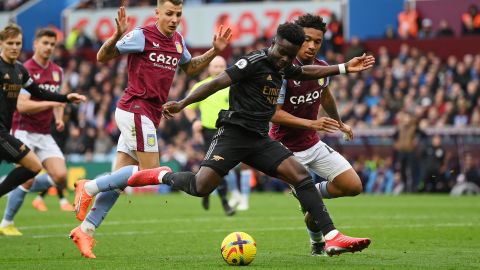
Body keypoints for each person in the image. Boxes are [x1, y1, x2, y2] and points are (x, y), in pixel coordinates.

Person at [128, 22, 374, 256]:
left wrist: (342, 68)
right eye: (281, 53)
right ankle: (161, 175)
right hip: (233, 134)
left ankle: (331, 236)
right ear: (274, 42)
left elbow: (305, 71)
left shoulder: (283, 65)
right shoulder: (254, 61)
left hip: (258, 138)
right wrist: (182, 103)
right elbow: (216, 83)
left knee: (300, 176)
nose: (284, 60)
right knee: (201, 187)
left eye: (290, 56)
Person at [69, 1, 231, 259]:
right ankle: (88, 187)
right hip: (135, 109)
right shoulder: (141, 35)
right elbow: (102, 56)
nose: (174, 19)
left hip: (149, 115)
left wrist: (214, 51)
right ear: (157, 13)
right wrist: (116, 35)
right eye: (169, 14)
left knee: (119, 181)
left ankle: (85, 230)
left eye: (178, 14)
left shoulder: (178, 41)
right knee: (149, 173)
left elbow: (190, 67)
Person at [268, 13, 365, 256]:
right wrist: (312, 124)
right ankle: (318, 242)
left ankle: (311, 194)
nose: (312, 46)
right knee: (313, 206)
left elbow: (324, 94)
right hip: (285, 151)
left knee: (354, 186)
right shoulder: (282, 71)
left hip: (312, 144)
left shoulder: (321, 68)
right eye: (307, 40)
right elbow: (274, 114)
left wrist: (339, 123)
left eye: (317, 41)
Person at [0, 24, 85, 223]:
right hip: (13, 131)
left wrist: (65, 98)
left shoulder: (20, 71)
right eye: (10, 43)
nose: (14, 47)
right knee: (32, 167)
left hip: (11, 131)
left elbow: (39, 92)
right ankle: (7, 220)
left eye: (17, 43)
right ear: (1, 44)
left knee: (36, 168)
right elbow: (24, 105)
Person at [183, 55, 235, 216]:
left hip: (228, 131)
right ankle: (225, 203)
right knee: (215, 167)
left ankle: (205, 191)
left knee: (221, 168)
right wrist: (194, 122)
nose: (219, 69)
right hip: (208, 132)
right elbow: (188, 106)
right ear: (209, 68)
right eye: (215, 66)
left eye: (221, 66)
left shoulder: (233, 85)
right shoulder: (202, 86)